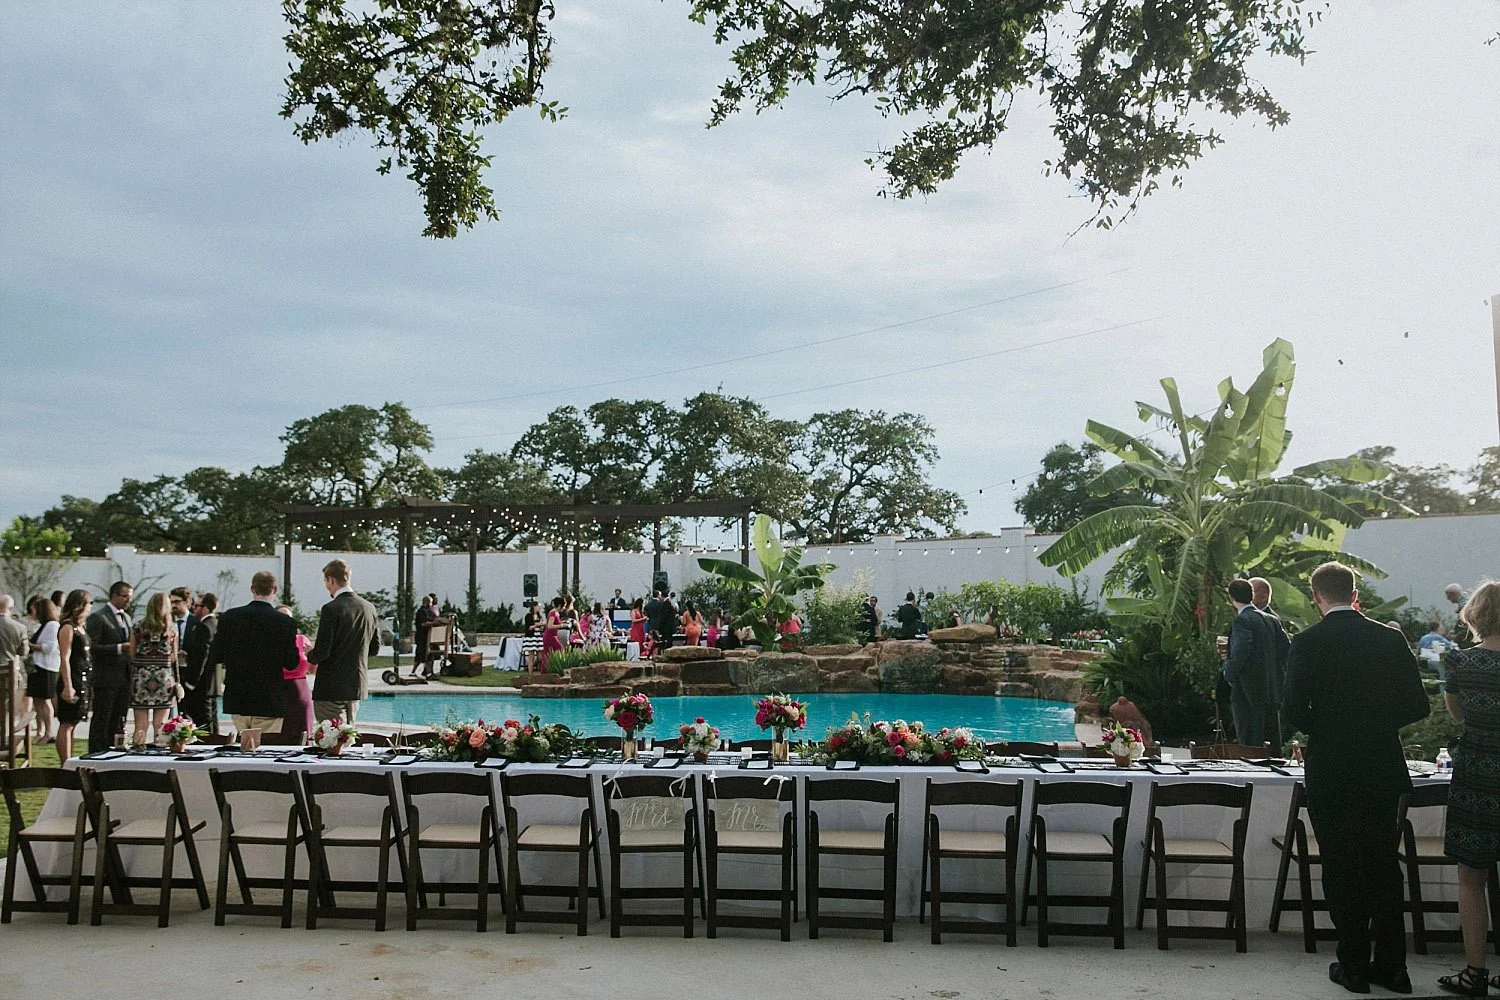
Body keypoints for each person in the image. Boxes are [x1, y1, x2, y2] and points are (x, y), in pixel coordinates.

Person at [1283, 561, 1429, 995]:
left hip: (1331, 767)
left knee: (1341, 863)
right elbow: (1418, 705)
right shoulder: (1389, 638)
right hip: (1381, 765)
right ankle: (1393, 967)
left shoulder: (1307, 642)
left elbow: (1291, 711)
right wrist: (1376, 722)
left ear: (1317, 597)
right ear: (1353, 592)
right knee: (1383, 864)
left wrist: (1328, 724)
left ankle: (1353, 964)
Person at [1436, 581, 1500, 996]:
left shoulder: (1457, 662)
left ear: (1474, 616)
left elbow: (1457, 716)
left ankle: (1475, 971)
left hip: (1478, 771)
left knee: (1471, 876)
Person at [211, 572, 295, 736]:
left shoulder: (230, 617)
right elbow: (291, 662)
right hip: (269, 697)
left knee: (244, 747)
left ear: (252, 589)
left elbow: (217, 655)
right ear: (275, 589)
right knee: (265, 750)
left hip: (238, 695)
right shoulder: (285, 622)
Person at [306, 558, 380, 724]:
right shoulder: (369, 608)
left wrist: (309, 654)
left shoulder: (331, 609)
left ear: (331, 579)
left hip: (330, 688)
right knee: (348, 738)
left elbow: (322, 652)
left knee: (331, 741)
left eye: (326, 581)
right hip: (355, 686)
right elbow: (374, 649)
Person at [1222, 579, 1279, 747]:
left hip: (1247, 692)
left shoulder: (1242, 620)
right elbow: (1284, 651)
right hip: (1270, 691)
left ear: (1231, 598)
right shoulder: (1271, 620)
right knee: (1272, 744)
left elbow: (1241, 651)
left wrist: (1228, 673)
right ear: (1251, 595)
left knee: (1250, 745)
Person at [85, 581, 134, 750]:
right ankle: (96, 754)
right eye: (125, 596)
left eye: (130, 597)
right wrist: (120, 648)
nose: (128, 600)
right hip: (106, 677)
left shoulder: (127, 617)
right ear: (114, 596)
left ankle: (114, 753)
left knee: (119, 719)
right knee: (102, 719)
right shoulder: (99, 617)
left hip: (124, 677)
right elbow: (93, 647)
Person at [128, 592, 178, 746]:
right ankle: (159, 754)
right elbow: (174, 656)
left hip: (142, 677)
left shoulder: (138, 627)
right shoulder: (171, 629)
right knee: (161, 724)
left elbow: (131, 652)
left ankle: (137, 753)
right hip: (164, 678)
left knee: (140, 725)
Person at [54, 590, 92, 760]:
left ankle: (70, 758)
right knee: (67, 722)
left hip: (83, 677)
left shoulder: (80, 627)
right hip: (72, 677)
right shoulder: (68, 627)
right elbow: (64, 657)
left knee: (74, 721)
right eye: (89, 603)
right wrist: (68, 685)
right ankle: (65, 761)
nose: (90, 607)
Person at [180, 592, 219, 730]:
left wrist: (191, 682)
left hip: (201, 683)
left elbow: (202, 656)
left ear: (205, 609)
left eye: (196, 606)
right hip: (212, 682)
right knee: (212, 721)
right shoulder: (215, 624)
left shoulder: (204, 627)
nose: (193, 609)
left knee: (202, 722)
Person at [277, 605, 316, 743]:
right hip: (278, 690)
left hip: (300, 690)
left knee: (303, 732)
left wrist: (312, 654)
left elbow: (313, 670)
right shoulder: (270, 641)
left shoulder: (302, 639)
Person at [26, 597, 60, 744]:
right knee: (37, 700)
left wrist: (30, 645)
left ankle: (49, 732)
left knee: (45, 701)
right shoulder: (43, 625)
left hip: (47, 667)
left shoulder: (52, 625)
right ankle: (39, 731)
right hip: (38, 666)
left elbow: (49, 647)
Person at [539, 596, 566, 671]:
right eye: (563, 606)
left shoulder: (556, 613)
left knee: (548, 653)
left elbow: (555, 622)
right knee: (558, 649)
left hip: (553, 635)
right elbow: (549, 626)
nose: (564, 608)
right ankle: (548, 670)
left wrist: (563, 622)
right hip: (549, 636)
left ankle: (548, 669)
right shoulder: (553, 613)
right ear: (560, 605)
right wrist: (561, 625)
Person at [1447, 583, 1476, 648]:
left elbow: (1469, 625)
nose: (1447, 598)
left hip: (1468, 642)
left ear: (1453, 594)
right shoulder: (1465, 604)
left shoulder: (1464, 606)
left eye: (1448, 595)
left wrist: (1457, 637)